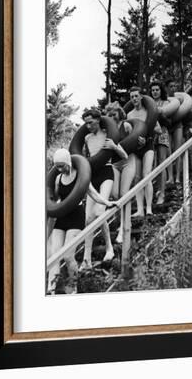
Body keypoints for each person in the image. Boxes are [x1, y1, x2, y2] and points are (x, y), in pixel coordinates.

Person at [46, 148, 117, 294]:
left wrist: (107, 203)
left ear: (68, 162)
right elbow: (56, 199)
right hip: (62, 217)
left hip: (76, 217)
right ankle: (50, 290)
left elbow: (93, 193)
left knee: (67, 255)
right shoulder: (59, 179)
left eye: (62, 166)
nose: (60, 169)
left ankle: (74, 287)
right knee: (54, 255)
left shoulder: (80, 175)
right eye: (57, 167)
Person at [80, 108, 122, 270]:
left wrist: (115, 147)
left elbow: (124, 156)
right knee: (87, 219)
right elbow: (87, 158)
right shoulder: (86, 137)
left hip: (106, 173)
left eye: (90, 122)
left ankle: (110, 248)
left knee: (99, 211)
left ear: (98, 120)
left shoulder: (108, 133)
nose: (88, 126)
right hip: (92, 176)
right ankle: (86, 259)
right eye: (86, 123)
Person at [104, 101, 137, 243]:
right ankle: (121, 222)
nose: (112, 116)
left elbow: (134, 141)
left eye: (114, 113)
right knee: (115, 195)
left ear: (119, 113)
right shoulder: (107, 130)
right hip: (115, 163)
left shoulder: (126, 126)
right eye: (109, 114)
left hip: (128, 161)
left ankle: (124, 228)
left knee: (124, 194)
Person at [127, 87, 159, 216]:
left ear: (141, 97)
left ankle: (149, 208)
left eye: (136, 96)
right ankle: (140, 209)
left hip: (148, 145)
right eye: (132, 97)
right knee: (136, 178)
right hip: (135, 148)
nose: (134, 98)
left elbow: (159, 129)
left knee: (147, 175)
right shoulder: (129, 115)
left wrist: (147, 133)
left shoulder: (149, 112)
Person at [150, 81, 171, 205]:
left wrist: (159, 114)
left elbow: (169, 121)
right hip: (151, 135)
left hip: (162, 132)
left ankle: (162, 193)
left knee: (162, 163)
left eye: (157, 89)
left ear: (161, 90)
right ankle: (157, 190)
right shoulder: (149, 103)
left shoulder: (166, 103)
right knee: (153, 164)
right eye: (153, 90)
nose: (155, 92)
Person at [165, 78, 184, 185]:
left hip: (177, 125)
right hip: (168, 126)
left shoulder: (180, 98)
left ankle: (177, 178)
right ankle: (170, 177)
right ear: (167, 88)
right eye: (171, 86)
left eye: (174, 86)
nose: (173, 88)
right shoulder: (165, 100)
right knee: (168, 152)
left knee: (178, 151)